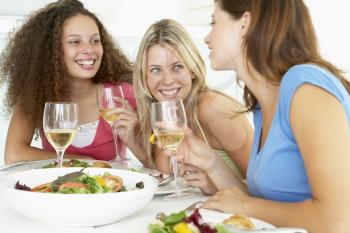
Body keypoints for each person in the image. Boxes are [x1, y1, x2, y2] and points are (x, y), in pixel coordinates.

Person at [177, 0, 350, 232]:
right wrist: (212, 163)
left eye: (214, 22)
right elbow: (272, 204)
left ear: (244, 24)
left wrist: (246, 206)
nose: (207, 38)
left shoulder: (305, 88)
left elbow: (338, 221)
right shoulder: (263, 103)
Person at [0, 0, 138, 164]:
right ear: (51, 50)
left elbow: (155, 158)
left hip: (113, 187)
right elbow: (14, 155)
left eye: (95, 40)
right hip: (58, 189)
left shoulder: (122, 94)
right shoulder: (36, 95)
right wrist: (84, 161)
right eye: (74, 41)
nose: (89, 49)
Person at [131, 19, 253, 195]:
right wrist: (130, 139)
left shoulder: (215, 110)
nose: (167, 80)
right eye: (155, 70)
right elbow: (165, 176)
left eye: (177, 67)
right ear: (144, 77)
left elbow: (266, 191)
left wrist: (215, 185)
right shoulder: (161, 113)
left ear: (192, 69)